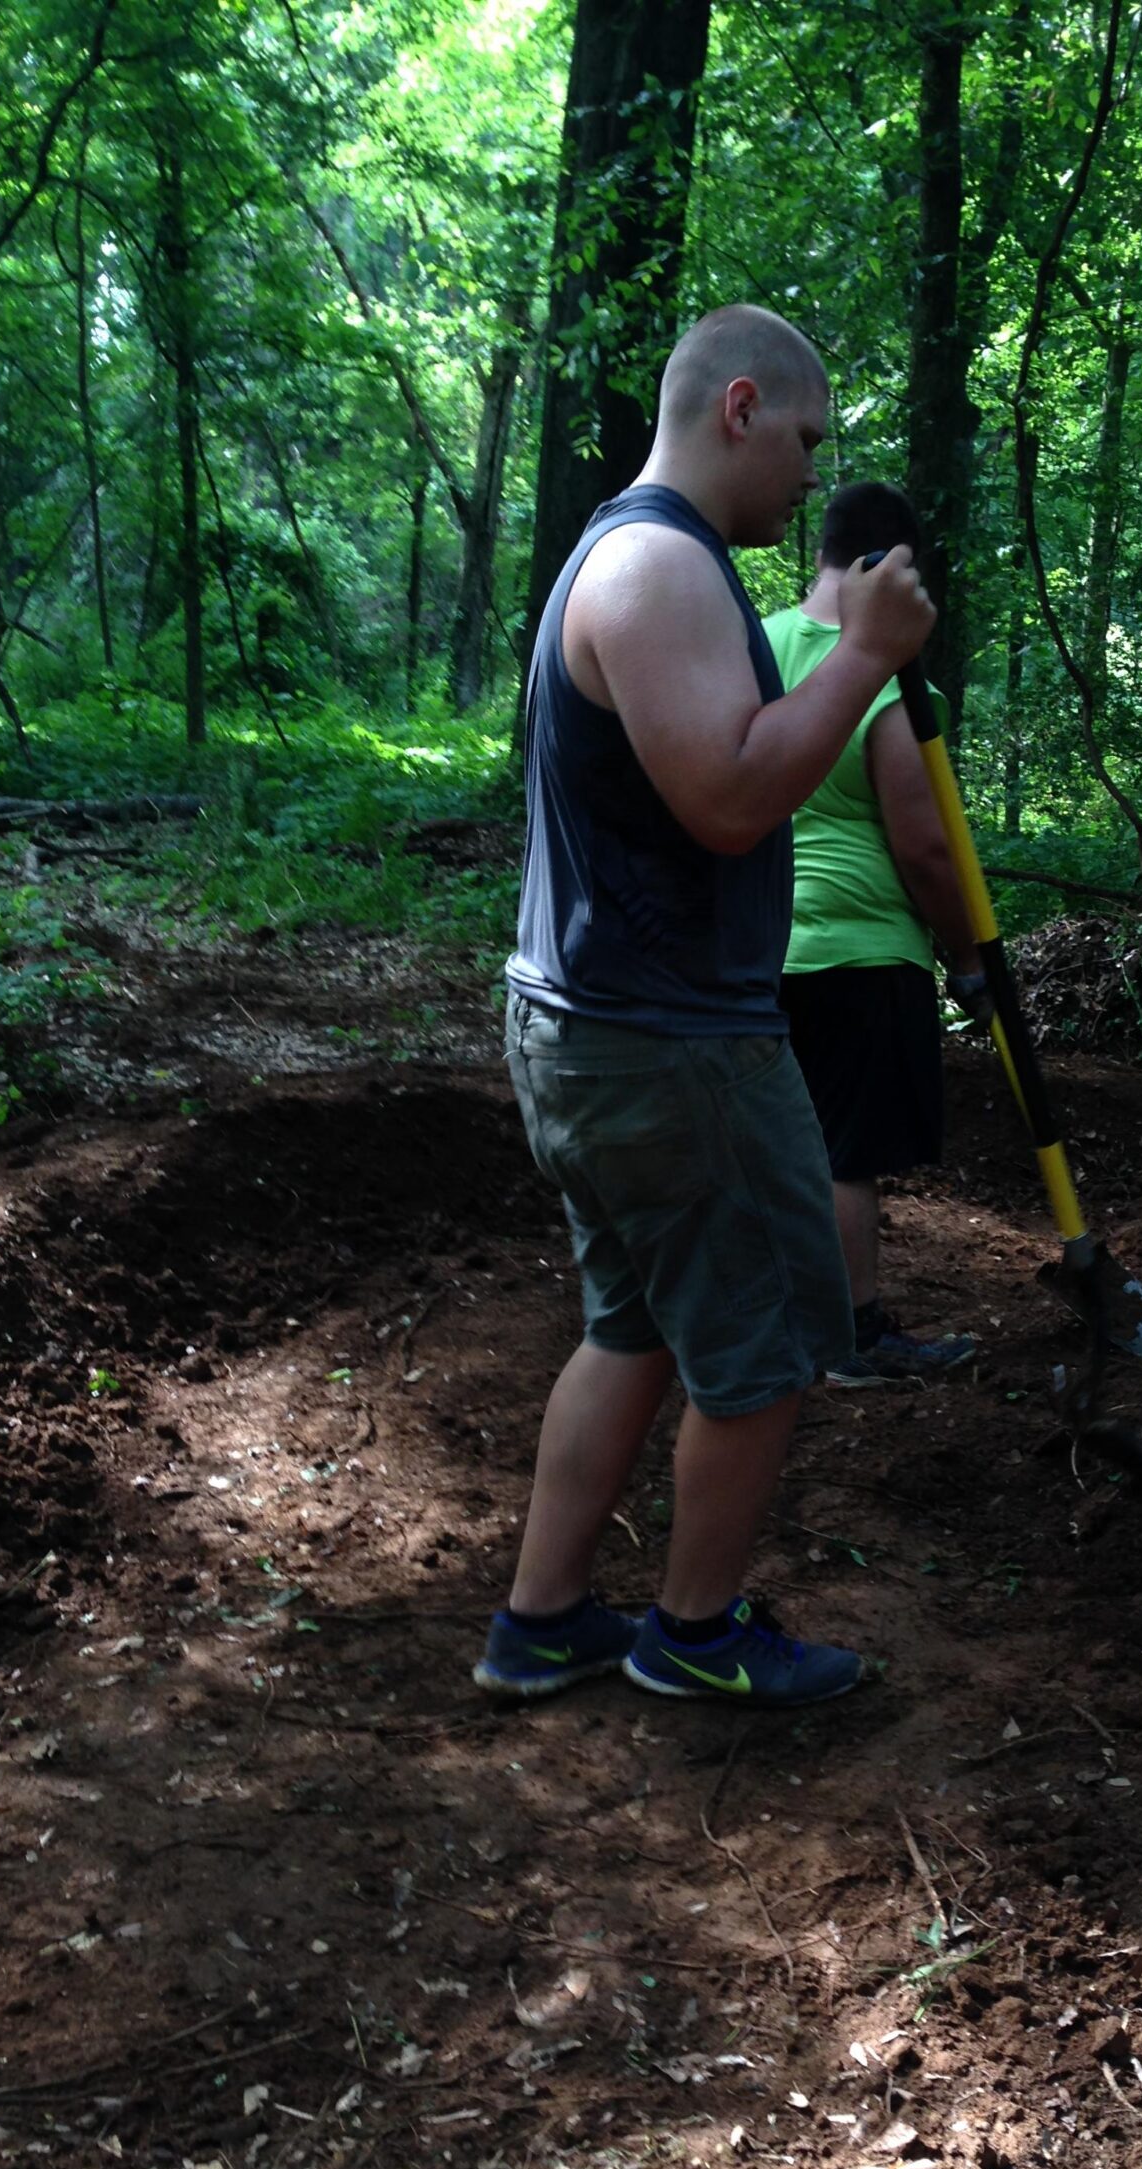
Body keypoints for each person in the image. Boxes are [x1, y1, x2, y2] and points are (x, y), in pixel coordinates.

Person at [472, 305, 936, 1712]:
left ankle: (543, 1624)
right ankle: (696, 1632)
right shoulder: (663, 567)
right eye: (802, 438)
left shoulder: (625, 552)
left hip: (597, 1026)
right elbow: (731, 800)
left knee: (638, 1328)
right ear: (739, 408)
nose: (811, 475)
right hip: (666, 1044)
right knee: (769, 1344)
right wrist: (865, 657)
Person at [765, 481, 991, 1386]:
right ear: (892, 567)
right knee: (845, 1153)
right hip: (860, 952)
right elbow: (928, 845)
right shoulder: (891, 679)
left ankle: (774, 1316)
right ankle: (854, 1336)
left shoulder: (756, 645)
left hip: (757, 946)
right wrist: (967, 957)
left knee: (778, 1143)